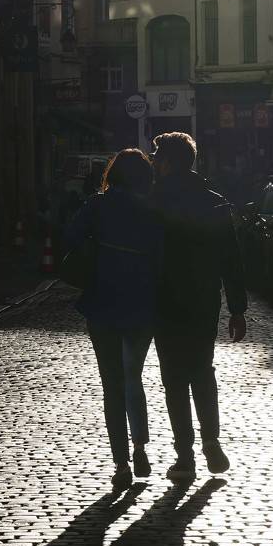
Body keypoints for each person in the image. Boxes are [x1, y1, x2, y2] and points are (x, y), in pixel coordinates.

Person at [149, 131, 247, 482]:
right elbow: (232, 259)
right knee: (202, 371)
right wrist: (237, 308)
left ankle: (185, 456)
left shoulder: (153, 201)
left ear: (168, 162)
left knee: (174, 379)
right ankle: (211, 441)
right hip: (204, 298)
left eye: (156, 157)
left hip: (164, 299)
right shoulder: (214, 202)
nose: (153, 162)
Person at [64, 149, 162, 492]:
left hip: (103, 300)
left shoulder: (98, 206)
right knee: (133, 376)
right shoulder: (153, 209)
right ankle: (140, 446)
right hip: (142, 302)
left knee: (112, 384)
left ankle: (120, 462)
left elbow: (69, 238)